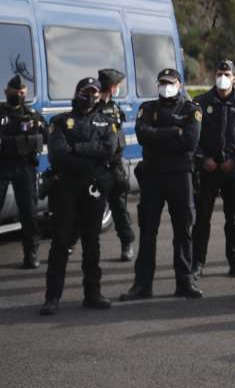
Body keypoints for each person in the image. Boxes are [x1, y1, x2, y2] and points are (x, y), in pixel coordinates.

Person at [121, 68, 202, 301]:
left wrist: (160, 135)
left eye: (170, 82)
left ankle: (185, 282)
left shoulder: (191, 110)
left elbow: (190, 140)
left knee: (184, 231)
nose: (166, 86)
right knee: (147, 231)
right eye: (162, 82)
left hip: (180, 176)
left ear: (179, 84)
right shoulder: (147, 108)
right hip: (153, 175)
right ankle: (142, 285)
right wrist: (173, 132)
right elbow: (143, 134)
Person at [41, 77, 117, 315]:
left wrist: (77, 149)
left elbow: (109, 149)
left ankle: (92, 294)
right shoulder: (60, 122)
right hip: (66, 188)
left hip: (93, 189)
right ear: (77, 93)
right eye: (87, 92)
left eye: (95, 92)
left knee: (91, 243)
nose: (92, 96)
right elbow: (58, 155)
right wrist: (90, 157)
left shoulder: (107, 122)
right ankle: (52, 297)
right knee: (61, 242)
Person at [191, 59, 235, 278]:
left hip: (232, 168)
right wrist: (202, 159)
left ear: (234, 78)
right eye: (219, 73)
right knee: (202, 219)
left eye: (227, 74)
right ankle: (197, 263)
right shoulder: (200, 102)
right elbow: (192, 138)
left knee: (234, 219)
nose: (222, 77)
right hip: (208, 168)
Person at [0, 75, 46, 269]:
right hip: (2, 166)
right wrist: (22, 143)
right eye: (15, 92)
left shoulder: (32, 114)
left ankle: (31, 252)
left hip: (25, 167)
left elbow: (45, 137)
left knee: (29, 212)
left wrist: (13, 144)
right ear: (6, 92)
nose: (19, 96)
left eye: (22, 93)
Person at [96, 68, 135, 262]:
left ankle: (127, 244)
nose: (118, 89)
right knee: (88, 208)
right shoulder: (91, 107)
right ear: (112, 87)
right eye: (117, 86)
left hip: (115, 167)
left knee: (119, 209)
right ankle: (70, 244)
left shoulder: (115, 109)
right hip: (96, 169)